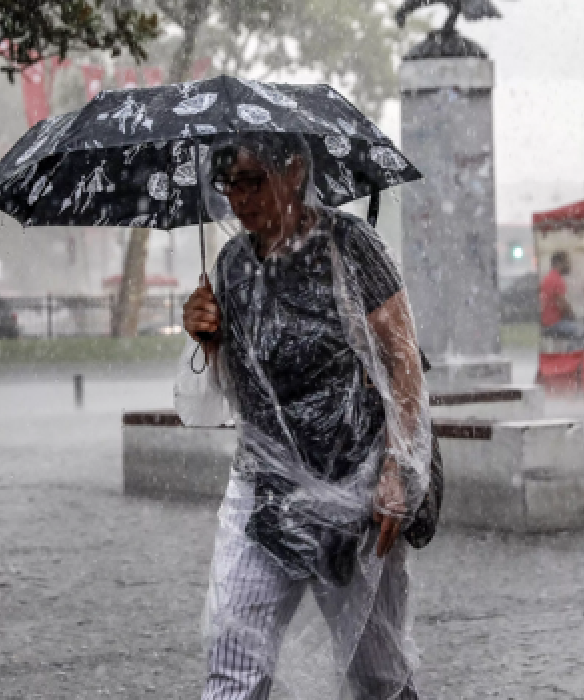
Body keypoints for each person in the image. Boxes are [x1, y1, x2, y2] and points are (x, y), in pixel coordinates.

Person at [178, 133, 431, 700]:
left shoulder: (349, 245)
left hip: (354, 493)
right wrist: (206, 338)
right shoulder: (231, 264)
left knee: (378, 676)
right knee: (232, 659)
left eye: (252, 181)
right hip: (264, 494)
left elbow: (402, 356)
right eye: (228, 184)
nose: (238, 199)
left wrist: (400, 468)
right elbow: (237, 388)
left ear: (293, 170)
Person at [539, 250, 581, 340]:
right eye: (567, 262)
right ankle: (574, 353)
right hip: (553, 323)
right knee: (582, 331)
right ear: (559, 263)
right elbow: (562, 305)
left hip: (545, 322)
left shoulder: (548, 277)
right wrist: (573, 315)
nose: (569, 266)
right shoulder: (558, 280)